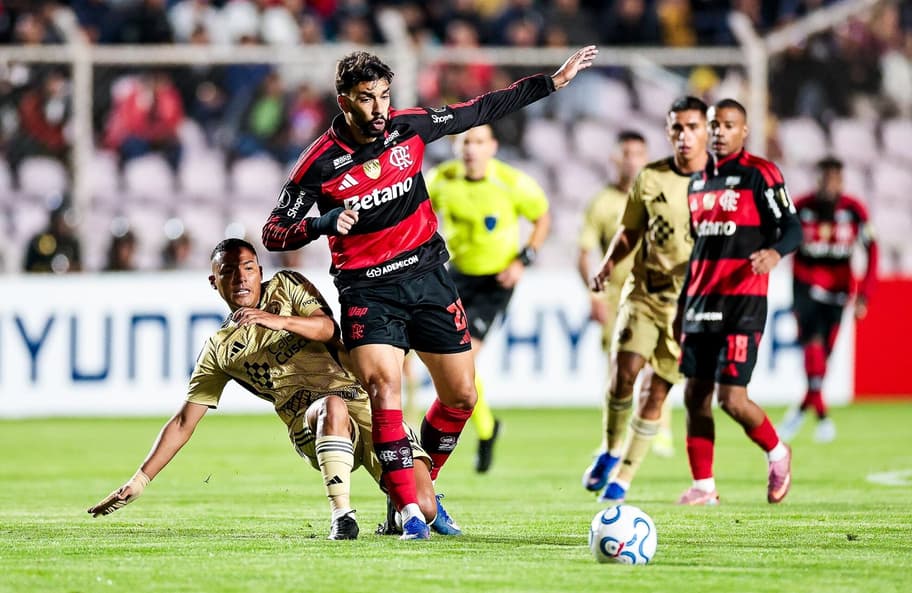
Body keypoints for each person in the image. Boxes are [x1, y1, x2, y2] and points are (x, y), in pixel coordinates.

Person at [261, 47, 598, 539]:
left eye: (384, 96)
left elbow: (479, 109)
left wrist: (551, 82)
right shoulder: (318, 163)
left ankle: (418, 492)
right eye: (366, 99)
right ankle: (412, 515)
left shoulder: (408, 127)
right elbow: (273, 232)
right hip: (367, 289)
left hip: (428, 277)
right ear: (343, 102)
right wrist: (321, 223)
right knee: (385, 390)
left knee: (462, 395)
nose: (379, 109)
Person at [86, 238, 462, 540]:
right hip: (310, 418)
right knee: (331, 406)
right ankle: (342, 516)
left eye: (248, 268)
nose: (240, 279)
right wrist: (139, 480)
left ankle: (397, 511)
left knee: (425, 508)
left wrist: (276, 320)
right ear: (214, 281)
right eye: (228, 272)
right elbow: (185, 421)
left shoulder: (287, 286)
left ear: (260, 271)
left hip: (364, 399)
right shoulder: (220, 349)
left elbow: (328, 328)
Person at [584, 98, 710, 503]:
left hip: (689, 309)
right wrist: (606, 266)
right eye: (677, 128)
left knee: (657, 392)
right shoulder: (652, 177)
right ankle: (609, 447)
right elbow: (628, 232)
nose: (684, 136)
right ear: (669, 131)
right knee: (625, 371)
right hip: (644, 294)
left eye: (692, 127)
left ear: (706, 130)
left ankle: (624, 476)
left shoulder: (721, 185)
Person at [677, 99, 802, 505]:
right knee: (695, 395)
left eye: (728, 125)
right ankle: (704, 487)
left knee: (731, 398)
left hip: (742, 302)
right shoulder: (697, 181)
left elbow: (792, 227)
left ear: (743, 131)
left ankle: (778, 452)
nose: (719, 132)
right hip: (700, 299)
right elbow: (700, 250)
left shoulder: (759, 175)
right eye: (714, 125)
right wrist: (681, 307)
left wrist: (775, 253)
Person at [426, 124, 550, 473]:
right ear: (455, 146)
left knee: (462, 357)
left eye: (478, 142)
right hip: (456, 276)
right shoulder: (440, 180)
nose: (471, 149)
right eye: (465, 142)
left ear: (492, 146)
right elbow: (419, 213)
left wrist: (523, 260)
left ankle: (482, 428)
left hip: (496, 280)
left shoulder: (511, 183)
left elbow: (542, 218)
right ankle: (487, 427)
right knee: (455, 361)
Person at [576, 130, 678, 464]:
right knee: (617, 366)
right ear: (615, 158)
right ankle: (615, 440)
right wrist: (594, 294)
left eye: (638, 153)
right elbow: (585, 253)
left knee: (655, 360)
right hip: (615, 295)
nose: (632, 160)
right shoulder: (602, 202)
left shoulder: (657, 195)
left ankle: (660, 429)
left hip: (655, 291)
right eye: (626, 153)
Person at [779, 156, 877, 443]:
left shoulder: (854, 210)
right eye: (826, 179)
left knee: (824, 361)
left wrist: (865, 295)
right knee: (813, 351)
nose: (830, 185)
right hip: (806, 288)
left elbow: (873, 251)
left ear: (842, 182)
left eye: (836, 179)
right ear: (818, 179)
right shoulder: (801, 206)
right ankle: (823, 417)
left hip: (838, 293)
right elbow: (783, 238)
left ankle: (800, 410)